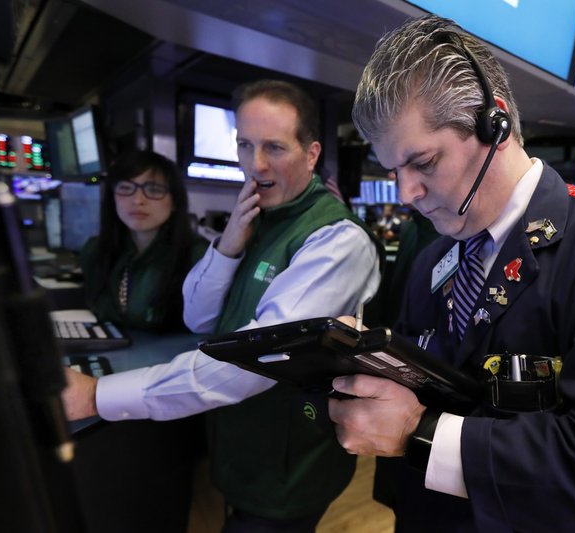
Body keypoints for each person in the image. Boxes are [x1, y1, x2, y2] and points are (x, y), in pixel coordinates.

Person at [328, 15, 575, 533]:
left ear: (495, 124)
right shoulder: (432, 262)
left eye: (424, 163)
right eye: (394, 171)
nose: (405, 193)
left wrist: (422, 434)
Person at [63, 79, 382, 532]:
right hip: (240, 448)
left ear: (311, 154)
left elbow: (252, 362)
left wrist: (98, 395)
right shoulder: (257, 217)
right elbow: (199, 317)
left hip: (287, 466)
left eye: (274, 147)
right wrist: (229, 244)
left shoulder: (335, 240)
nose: (255, 164)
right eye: (245, 144)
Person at [79, 150, 209, 331]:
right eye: (125, 188)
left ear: (175, 202)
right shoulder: (94, 251)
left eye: (154, 190)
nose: (138, 200)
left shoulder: (199, 257)